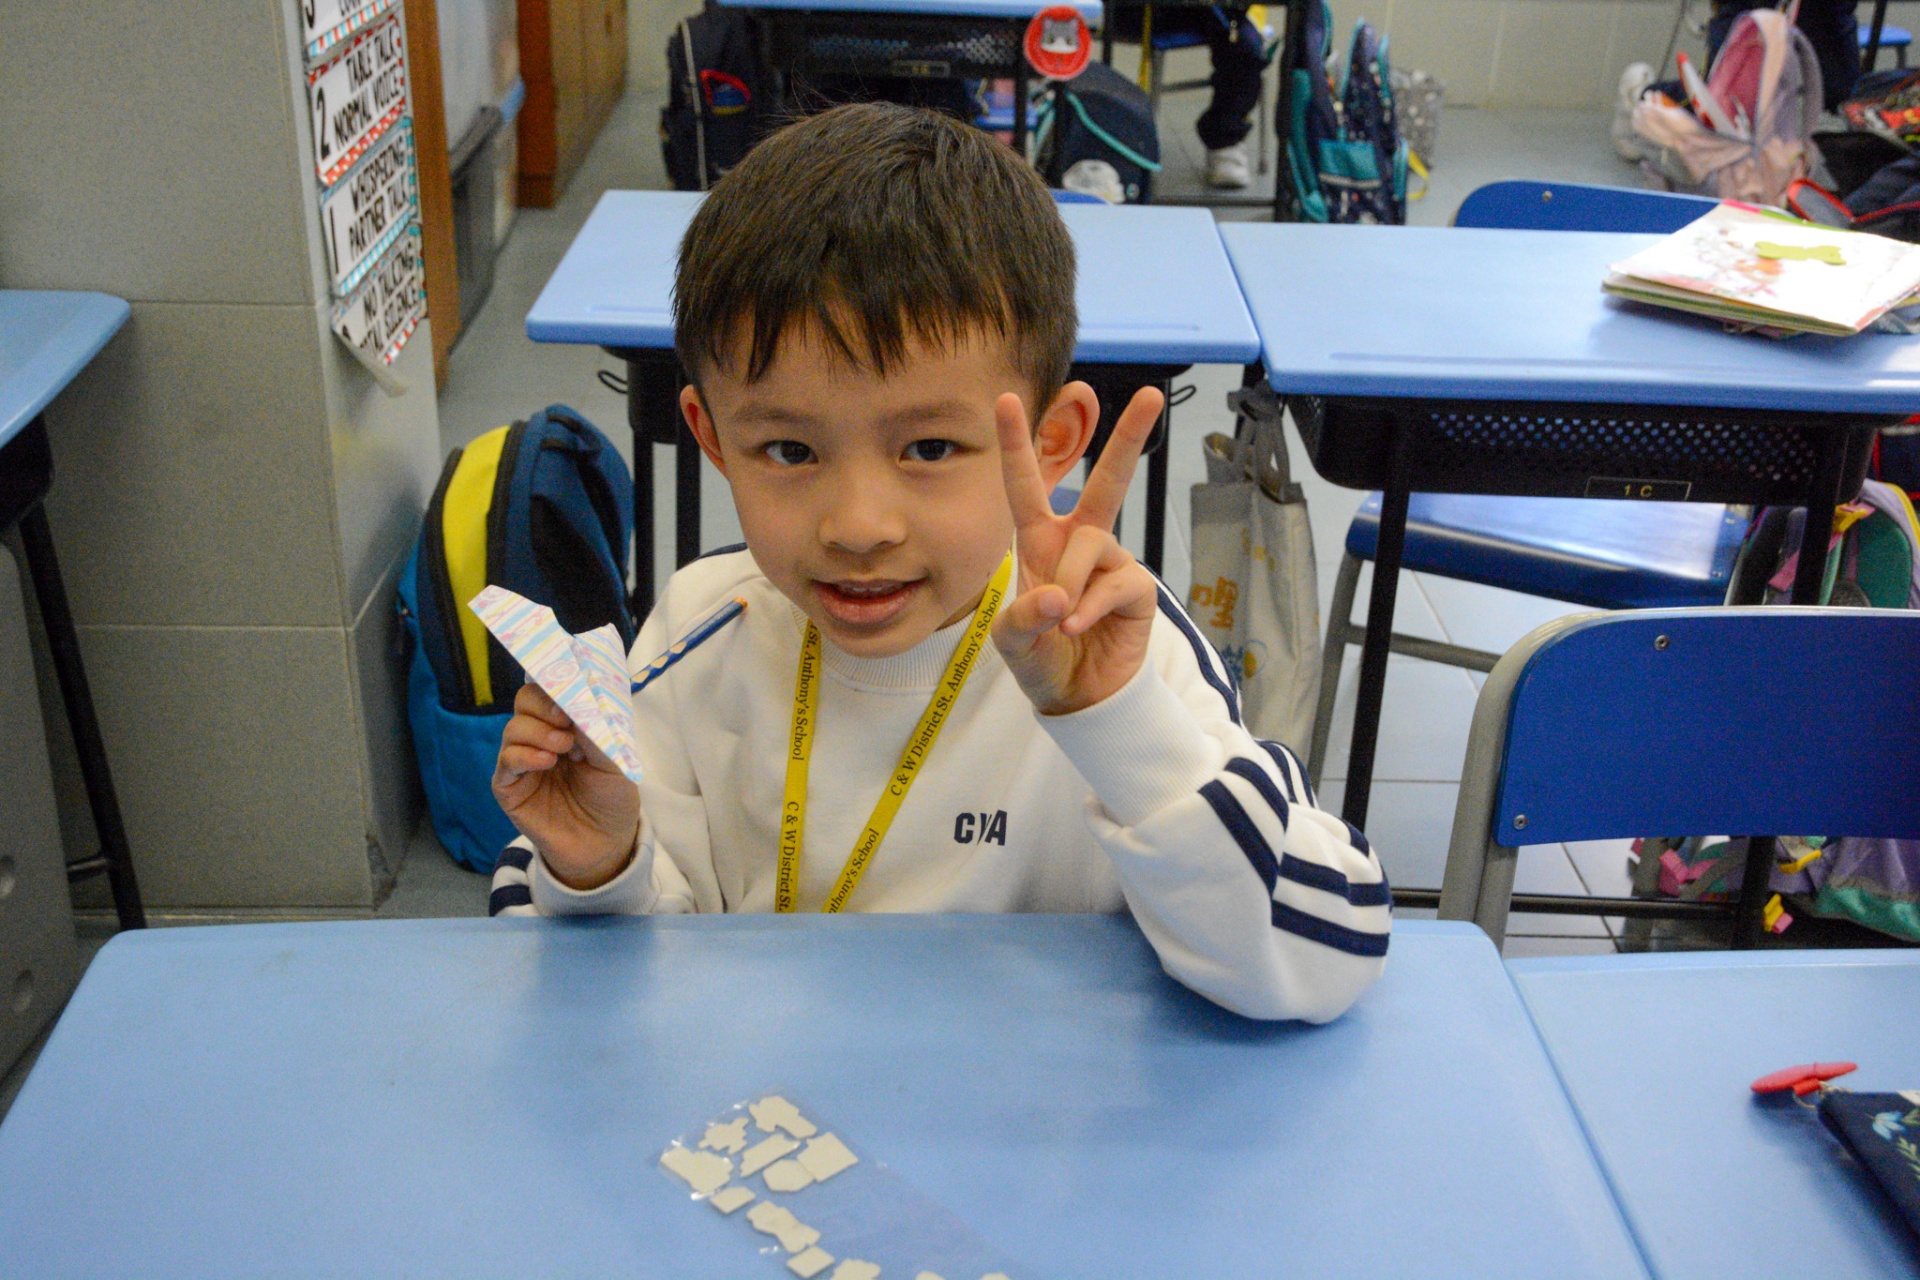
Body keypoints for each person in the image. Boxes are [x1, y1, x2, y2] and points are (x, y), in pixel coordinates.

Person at [487, 102, 1388, 1023]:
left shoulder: (1118, 650)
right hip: (768, 1100)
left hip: (1036, 1105)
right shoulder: (699, 627)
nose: (859, 526)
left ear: (1051, 442)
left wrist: (1117, 724)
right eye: (789, 451)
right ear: (713, 439)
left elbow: (1326, 955)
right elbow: (581, 987)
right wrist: (599, 867)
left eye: (928, 448)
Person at [1107, 4, 1270, 188]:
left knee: (1246, 43)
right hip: (1141, 11)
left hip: (1209, 13)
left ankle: (1225, 141)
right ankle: (1099, 138)